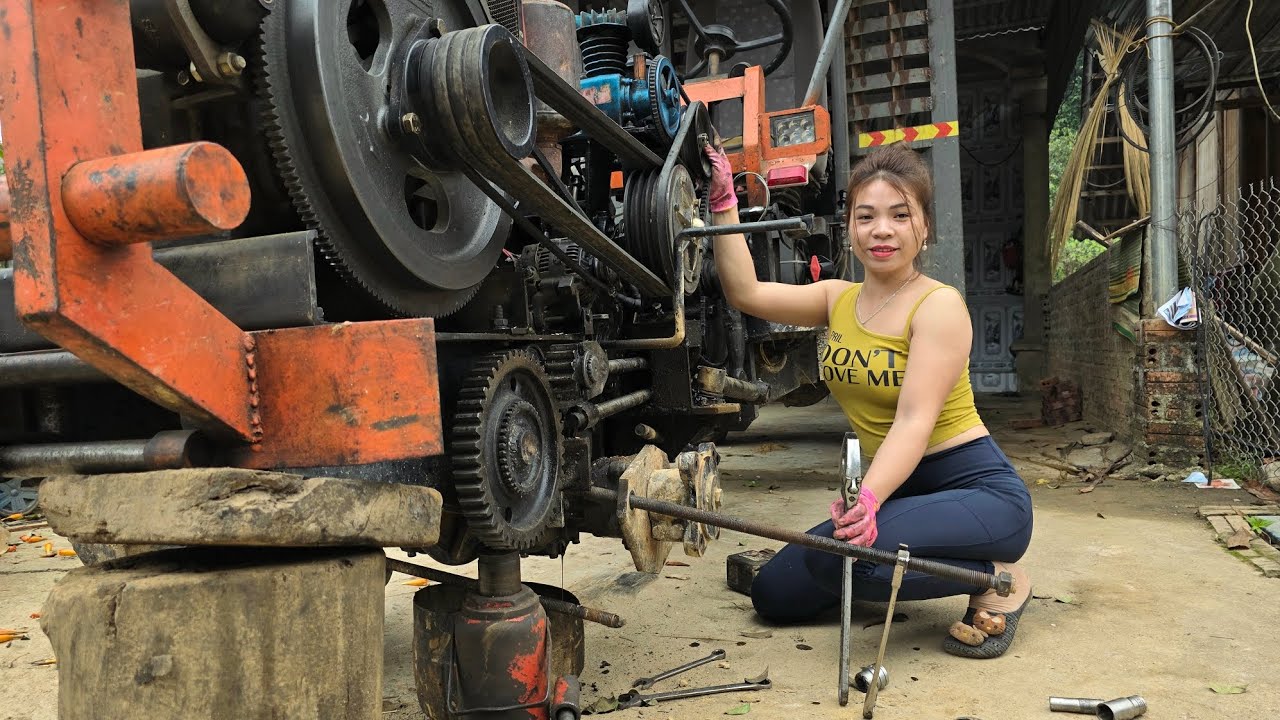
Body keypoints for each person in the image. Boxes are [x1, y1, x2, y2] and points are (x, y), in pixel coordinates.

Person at [705, 141, 1033, 659]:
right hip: (902, 492)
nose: (882, 230)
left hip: (978, 492)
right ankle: (885, 564)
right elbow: (745, 293)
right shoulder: (838, 298)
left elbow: (913, 421)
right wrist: (724, 200)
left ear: (924, 226)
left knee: (845, 561)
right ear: (850, 228)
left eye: (900, 215)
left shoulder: (939, 305)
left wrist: (868, 502)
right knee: (774, 594)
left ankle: (994, 580)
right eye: (867, 216)